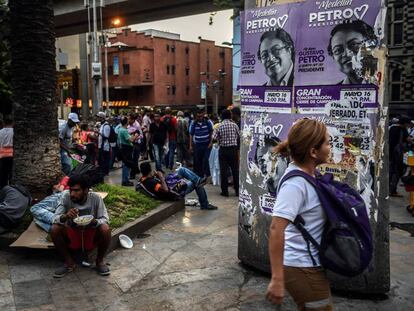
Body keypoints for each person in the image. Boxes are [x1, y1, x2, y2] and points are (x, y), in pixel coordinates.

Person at [266, 119, 333, 310]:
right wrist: (277, 278)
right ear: (313, 152)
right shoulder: (295, 184)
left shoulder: (308, 176)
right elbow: (276, 229)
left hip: (309, 263)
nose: (330, 148)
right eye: (327, 143)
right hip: (301, 266)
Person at [51, 174, 111, 278]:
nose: (72, 194)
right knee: (55, 229)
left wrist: (94, 222)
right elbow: (54, 218)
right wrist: (65, 216)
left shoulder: (96, 198)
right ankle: (69, 262)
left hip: (91, 234)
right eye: (71, 190)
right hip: (73, 233)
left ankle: (99, 261)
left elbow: (105, 219)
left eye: (76, 190)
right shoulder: (66, 196)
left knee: (105, 229)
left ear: (86, 190)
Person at [138, 162, 217, 210]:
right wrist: (161, 177)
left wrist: (155, 176)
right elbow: (166, 190)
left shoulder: (143, 179)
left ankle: (198, 180)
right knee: (196, 184)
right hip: (174, 193)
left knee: (182, 170)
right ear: (149, 171)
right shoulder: (151, 182)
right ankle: (205, 204)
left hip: (170, 184)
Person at [327, 20, 378, 85]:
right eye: (338, 50)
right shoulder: (334, 91)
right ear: (333, 57)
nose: (347, 54)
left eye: (354, 45)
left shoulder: (387, 79)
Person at [213, 109, 240, 197]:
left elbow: (214, 137)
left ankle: (225, 191)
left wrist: (220, 139)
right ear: (230, 116)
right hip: (233, 150)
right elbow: (239, 136)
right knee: (235, 170)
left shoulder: (219, 126)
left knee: (223, 171)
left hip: (223, 150)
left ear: (222, 116)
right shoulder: (235, 125)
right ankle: (237, 191)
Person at [389, 116, 411, 197]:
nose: (408, 125)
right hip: (399, 155)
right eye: (408, 123)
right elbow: (408, 140)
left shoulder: (392, 128)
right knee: (397, 172)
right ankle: (392, 190)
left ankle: (390, 189)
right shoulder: (402, 130)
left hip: (391, 154)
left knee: (391, 172)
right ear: (404, 123)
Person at [189, 109, 213, 178]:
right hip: (198, 145)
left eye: (201, 116)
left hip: (206, 145)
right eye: (198, 117)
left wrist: (210, 142)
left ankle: (208, 175)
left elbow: (211, 132)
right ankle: (200, 176)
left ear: (203, 116)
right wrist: (190, 146)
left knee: (205, 160)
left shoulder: (207, 122)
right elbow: (191, 134)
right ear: (196, 117)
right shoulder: (193, 123)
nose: (199, 118)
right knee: (198, 161)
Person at [118, 117, 139, 186]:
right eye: (128, 120)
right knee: (126, 165)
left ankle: (125, 180)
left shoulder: (120, 129)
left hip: (124, 148)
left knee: (125, 164)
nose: (129, 121)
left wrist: (132, 135)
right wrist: (136, 135)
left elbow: (128, 138)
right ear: (126, 122)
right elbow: (131, 140)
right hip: (126, 149)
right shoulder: (124, 130)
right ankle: (125, 181)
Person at [127, 113, 143, 179]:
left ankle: (132, 174)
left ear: (133, 119)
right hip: (129, 143)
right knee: (131, 159)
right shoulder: (127, 125)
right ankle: (136, 170)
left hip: (136, 144)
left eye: (129, 119)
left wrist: (135, 137)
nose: (128, 120)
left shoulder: (137, 125)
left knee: (134, 159)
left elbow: (141, 135)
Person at [0, 118, 14, 188]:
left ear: (4, 123)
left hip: (2, 155)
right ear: (12, 123)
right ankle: (12, 187)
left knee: (3, 173)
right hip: (12, 154)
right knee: (12, 172)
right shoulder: (13, 131)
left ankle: (3, 187)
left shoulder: (0, 132)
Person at [97, 111, 111, 176]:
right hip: (101, 145)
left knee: (105, 160)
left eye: (98, 117)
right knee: (101, 159)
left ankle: (105, 172)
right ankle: (103, 171)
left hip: (105, 146)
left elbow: (106, 136)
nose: (97, 118)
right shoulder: (102, 125)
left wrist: (98, 132)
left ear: (102, 118)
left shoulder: (106, 125)